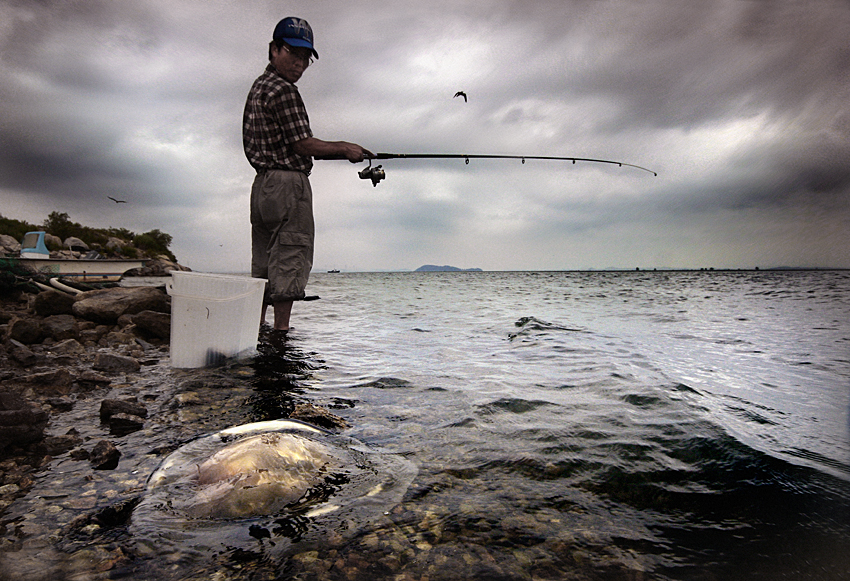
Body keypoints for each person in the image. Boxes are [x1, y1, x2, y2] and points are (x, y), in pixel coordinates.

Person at [243, 17, 372, 332]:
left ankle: (255, 330)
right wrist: (344, 148)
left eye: (305, 58)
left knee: (263, 262)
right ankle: (281, 334)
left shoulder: (259, 86)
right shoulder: (284, 90)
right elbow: (302, 145)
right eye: (292, 54)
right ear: (274, 50)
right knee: (290, 253)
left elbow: (284, 144)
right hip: (288, 187)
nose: (299, 64)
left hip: (262, 186)